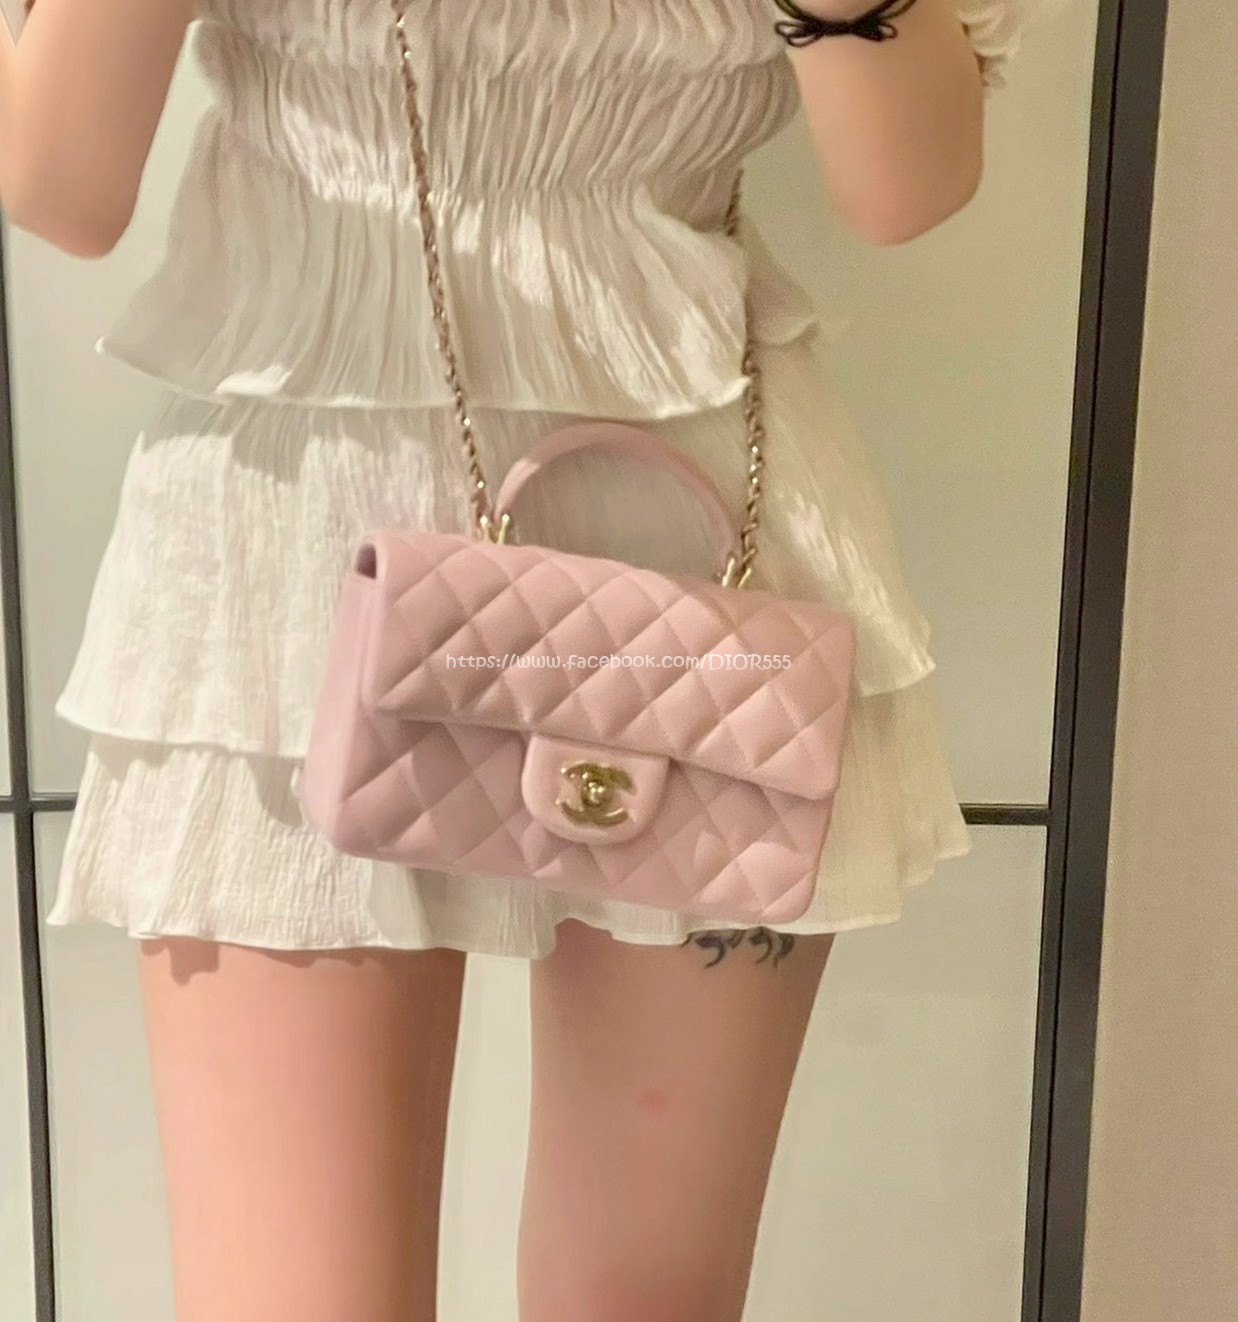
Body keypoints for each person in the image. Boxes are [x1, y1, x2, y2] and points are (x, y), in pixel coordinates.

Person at [1, 1, 1061, 1318]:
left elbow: (905, 183)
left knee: (646, 1301)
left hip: (700, 535)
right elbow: (60, 181)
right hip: (293, 525)